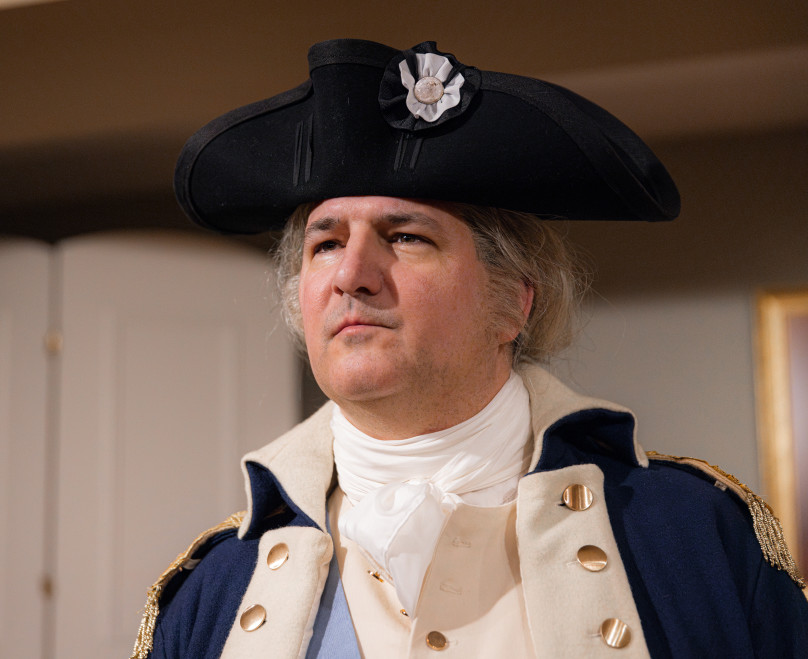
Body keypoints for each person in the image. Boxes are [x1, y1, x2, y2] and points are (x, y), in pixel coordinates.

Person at [131, 39, 808, 658]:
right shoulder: (210, 594)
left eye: (406, 237)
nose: (351, 274)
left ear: (514, 299)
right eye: (326, 243)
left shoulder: (697, 538)